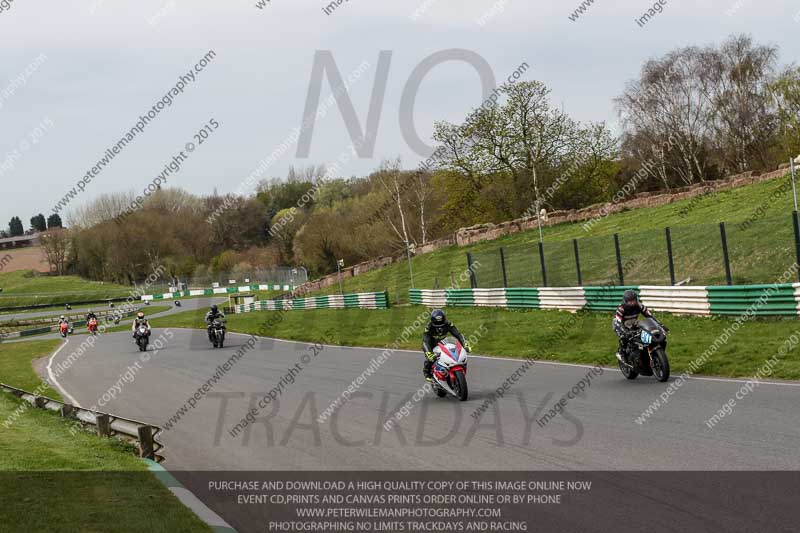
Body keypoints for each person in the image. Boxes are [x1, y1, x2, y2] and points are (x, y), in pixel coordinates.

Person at [421, 309, 470, 382]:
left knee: (452, 353)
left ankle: (455, 366)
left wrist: (465, 344)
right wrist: (429, 353)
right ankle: (427, 373)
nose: (439, 328)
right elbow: (426, 340)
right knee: (430, 359)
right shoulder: (429, 327)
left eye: (441, 325)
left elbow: (458, 334)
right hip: (431, 344)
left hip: (442, 343)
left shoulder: (448, 324)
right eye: (437, 326)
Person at [613, 289, 658, 363]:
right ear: (625, 301)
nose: (632, 302)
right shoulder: (621, 308)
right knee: (624, 336)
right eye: (630, 301)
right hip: (620, 324)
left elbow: (649, 315)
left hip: (633, 323)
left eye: (634, 300)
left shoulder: (639, 305)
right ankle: (621, 353)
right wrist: (625, 331)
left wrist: (657, 323)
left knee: (644, 331)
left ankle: (642, 352)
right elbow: (618, 321)